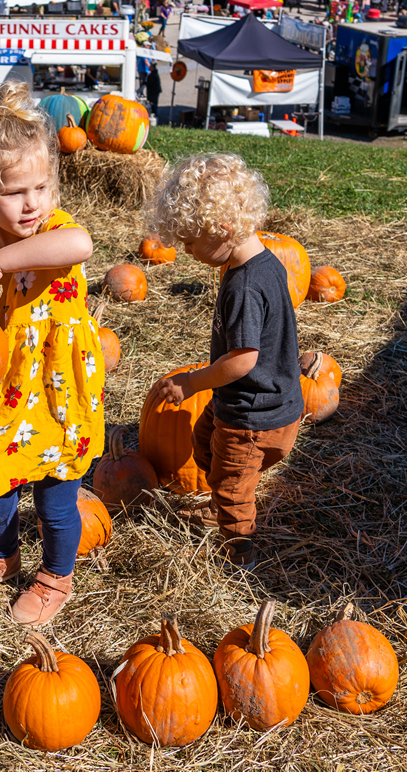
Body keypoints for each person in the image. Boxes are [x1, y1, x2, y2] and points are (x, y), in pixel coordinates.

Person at [0, 82, 105, 624]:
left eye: (41, 187)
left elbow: (79, 247)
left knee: (56, 499)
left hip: (58, 390)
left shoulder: (55, 233)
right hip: (5, 390)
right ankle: (1, 554)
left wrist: (2, 265)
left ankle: (57, 575)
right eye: (14, 193)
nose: (32, 203)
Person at [149, 153, 302, 570]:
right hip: (262, 402)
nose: (186, 250)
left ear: (222, 229)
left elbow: (243, 360)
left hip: (252, 416)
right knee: (203, 443)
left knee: (234, 486)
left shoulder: (244, 286)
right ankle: (220, 506)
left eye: (191, 241)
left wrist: (193, 382)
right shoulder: (266, 263)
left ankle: (238, 553)